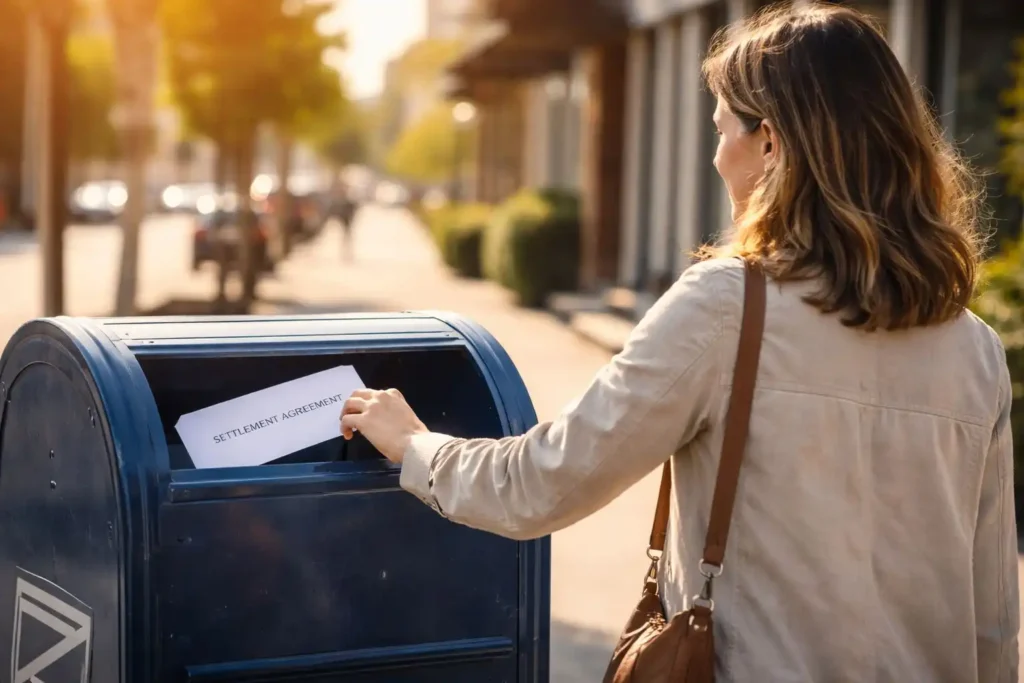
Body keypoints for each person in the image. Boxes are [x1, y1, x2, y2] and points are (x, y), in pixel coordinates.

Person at [340, 4, 1019, 681]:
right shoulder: (975, 350)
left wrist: (416, 446)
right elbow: (992, 621)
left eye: (721, 130)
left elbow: (543, 484)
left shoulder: (727, 307)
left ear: (770, 143)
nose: (717, 156)